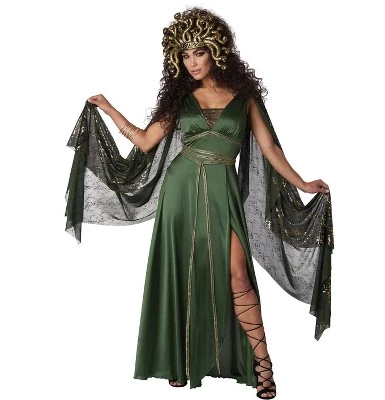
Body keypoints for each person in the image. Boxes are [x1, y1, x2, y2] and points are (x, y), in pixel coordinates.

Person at [65, 7, 334, 399]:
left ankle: (263, 366)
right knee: (182, 273)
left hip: (222, 190)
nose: (192, 62)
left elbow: (270, 149)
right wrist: (108, 108)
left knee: (238, 276)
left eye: (199, 53)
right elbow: (145, 141)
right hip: (182, 190)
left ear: (216, 52)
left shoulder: (245, 98)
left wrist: (304, 183)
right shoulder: (181, 99)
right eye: (185, 55)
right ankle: (179, 363)